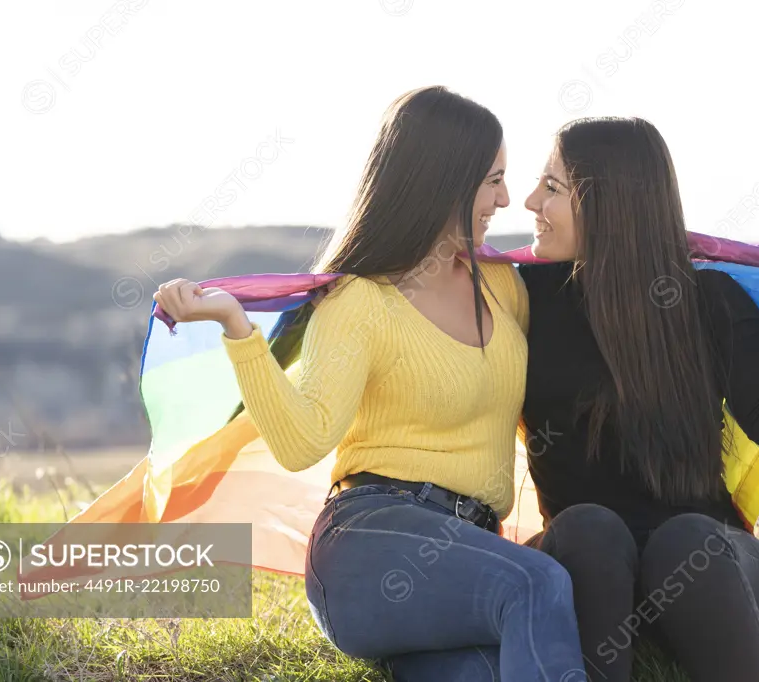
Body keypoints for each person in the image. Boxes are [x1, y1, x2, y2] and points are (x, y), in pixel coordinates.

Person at [153, 86, 587, 682]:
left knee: (490, 670)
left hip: (467, 552)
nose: (508, 199)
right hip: (370, 539)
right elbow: (304, 441)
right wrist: (238, 329)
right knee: (539, 583)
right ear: (443, 179)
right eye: (492, 180)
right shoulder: (360, 300)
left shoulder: (501, 285)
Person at [517, 117, 759, 682]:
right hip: (591, 572)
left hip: (710, 567)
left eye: (552, 188)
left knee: (685, 539)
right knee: (587, 528)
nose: (529, 202)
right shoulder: (527, 300)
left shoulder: (707, 299)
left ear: (609, 204)